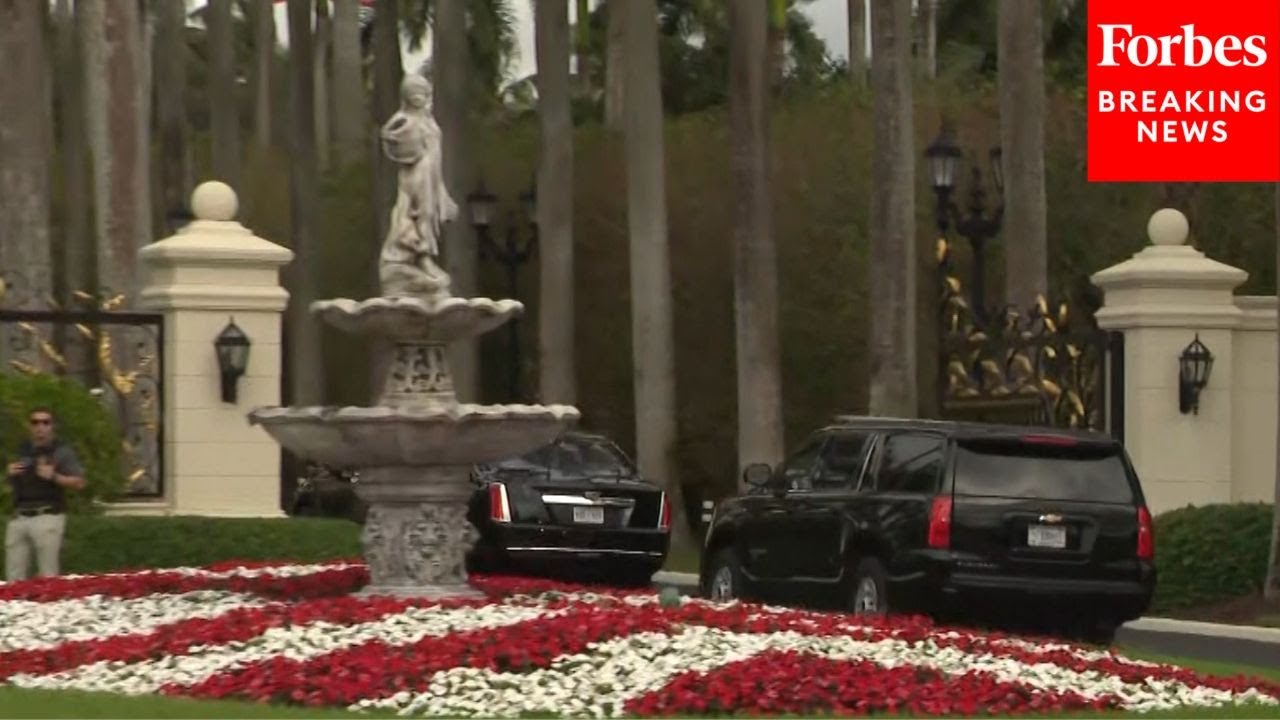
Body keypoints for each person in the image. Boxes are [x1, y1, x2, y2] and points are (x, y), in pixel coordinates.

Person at [5, 407, 85, 581]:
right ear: (30, 426)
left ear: (52, 426)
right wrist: (10, 473)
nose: (40, 427)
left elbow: (79, 482)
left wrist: (54, 476)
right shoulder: (22, 449)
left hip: (47, 515)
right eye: (35, 422)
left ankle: (47, 608)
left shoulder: (62, 451)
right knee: (13, 577)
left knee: (48, 576)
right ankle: (15, 608)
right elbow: (12, 482)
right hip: (19, 517)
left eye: (45, 422)